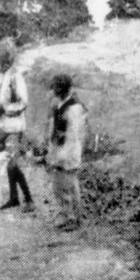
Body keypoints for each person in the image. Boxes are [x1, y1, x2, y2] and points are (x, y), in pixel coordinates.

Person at [0, 38, 35, 212]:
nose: (2, 62)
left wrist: (5, 108)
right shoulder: (4, 77)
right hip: (5, 127)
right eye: (0, 59)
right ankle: (14, 198)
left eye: (4, 59)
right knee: (10, 165)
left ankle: (29, 200)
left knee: (12, 165)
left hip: (15, 127)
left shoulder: (16, 78)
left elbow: (23, 102)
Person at [42, 73, 87, 230]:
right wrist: (51, 149)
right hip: (60, 147)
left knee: (69, 185)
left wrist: (61, 156)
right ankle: (66, 214)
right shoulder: (58, 103)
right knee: (59, 185)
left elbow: (73, 136)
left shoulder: (74, 108)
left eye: (58, 89)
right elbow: (53, 126)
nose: (55, 92)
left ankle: (75, 218)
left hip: (70, 150)